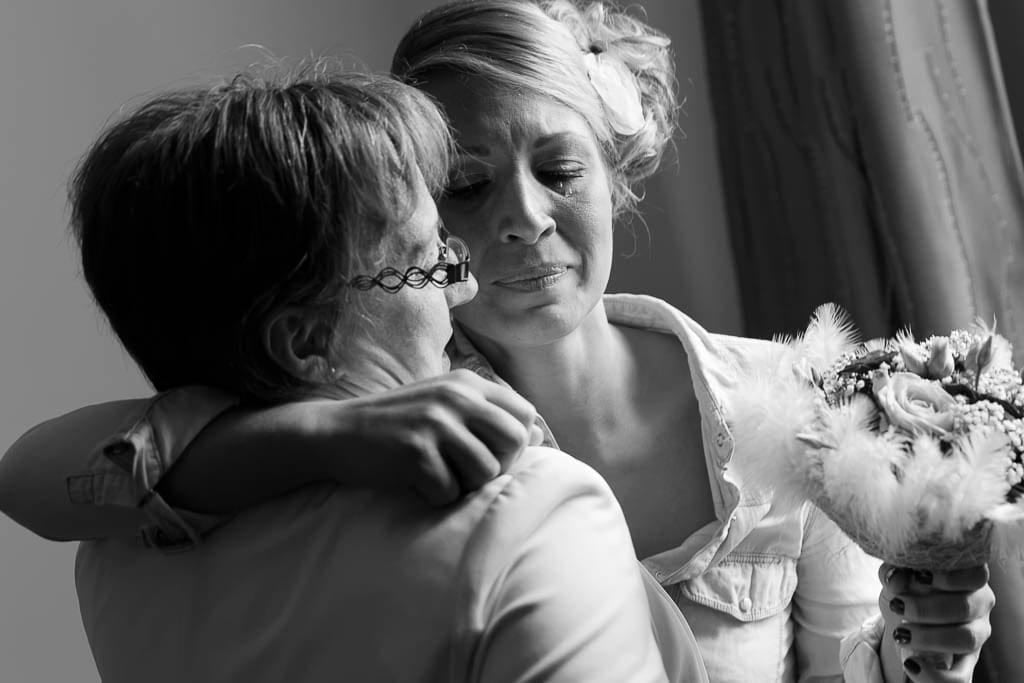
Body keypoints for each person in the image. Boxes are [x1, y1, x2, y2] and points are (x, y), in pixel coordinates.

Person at [0, 1, 995, 681]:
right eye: (466, 186)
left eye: (559, 168)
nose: (520, 218)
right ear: (409, 221)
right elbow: (42, 472)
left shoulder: (790, 397)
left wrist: (924, 654)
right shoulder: (359, 416)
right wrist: (306, 439)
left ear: (613, 177)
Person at [46, 64, 708, 682]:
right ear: (305, 342)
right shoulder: (529, 513)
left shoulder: (114, 555)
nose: (462, 288)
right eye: (425, 262)